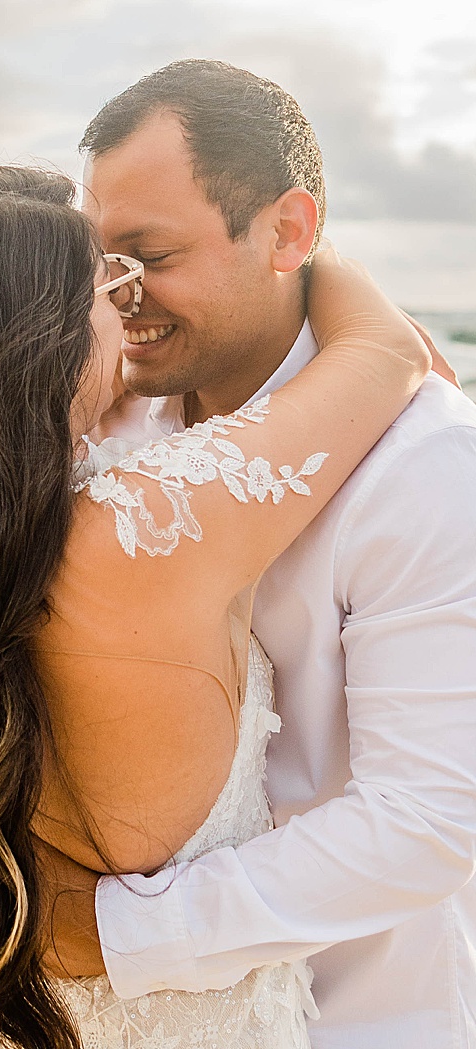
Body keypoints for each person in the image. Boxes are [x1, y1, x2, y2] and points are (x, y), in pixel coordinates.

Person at [0, 160, 433, 1049]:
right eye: (108, 285)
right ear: (37, 336)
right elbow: (387, 354)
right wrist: (303, 247)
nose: (129, 307)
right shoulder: (145, 528)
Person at [40, 60, 476, 1049]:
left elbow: (422, 822)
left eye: (147, 254)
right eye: (99, 262)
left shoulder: (426, 464)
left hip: (364, 1017)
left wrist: (111, 933)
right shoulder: (106, 435)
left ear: (286, 233)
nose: (118, 295)